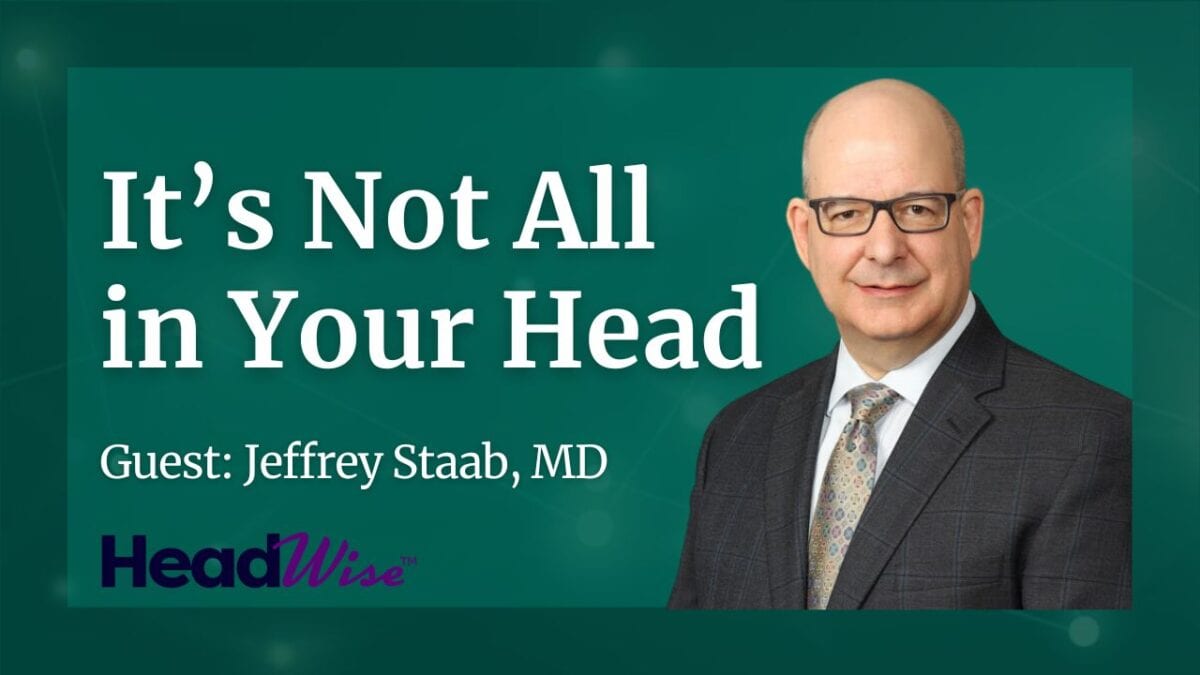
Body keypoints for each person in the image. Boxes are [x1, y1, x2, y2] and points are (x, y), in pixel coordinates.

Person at [668, 78, 1132, 609]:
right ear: (803, 234)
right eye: (845, 213)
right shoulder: (736, 438)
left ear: (970, 222)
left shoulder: (1089, 440)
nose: (884, 249)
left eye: (917, 209)